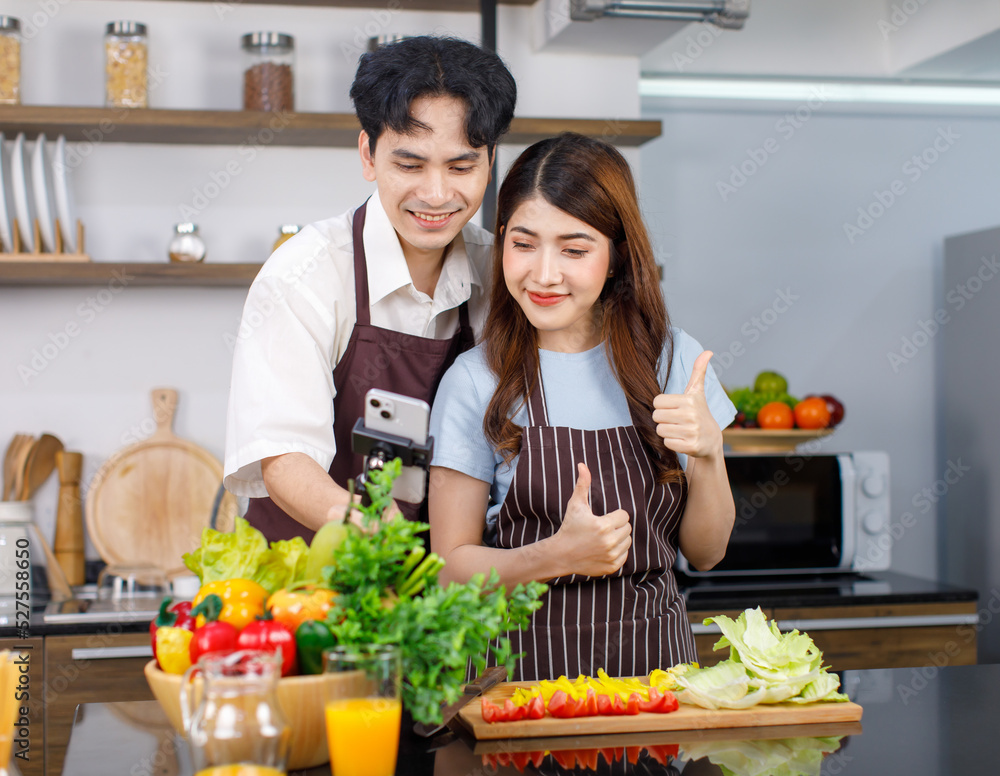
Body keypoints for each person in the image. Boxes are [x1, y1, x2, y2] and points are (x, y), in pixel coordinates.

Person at [428, 133, 737, 681]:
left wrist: (709, 454)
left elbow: (707, 553)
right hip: (518, 688)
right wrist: (554, 557)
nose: (544, 274)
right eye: (523, 244)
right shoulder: (478, 380)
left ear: (617, 256)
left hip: (654, 685)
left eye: (574, 250)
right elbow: (450, 568)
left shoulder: (672, 362)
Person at [223, 37, 517, 542]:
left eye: (462, 166)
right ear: (368, 154)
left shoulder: (502, 273)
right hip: (310, 586)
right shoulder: (307, 272)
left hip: (445, 588)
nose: (437, 194)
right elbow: (284, 458)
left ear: (490, 161)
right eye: (410, 165)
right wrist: (382, 540)